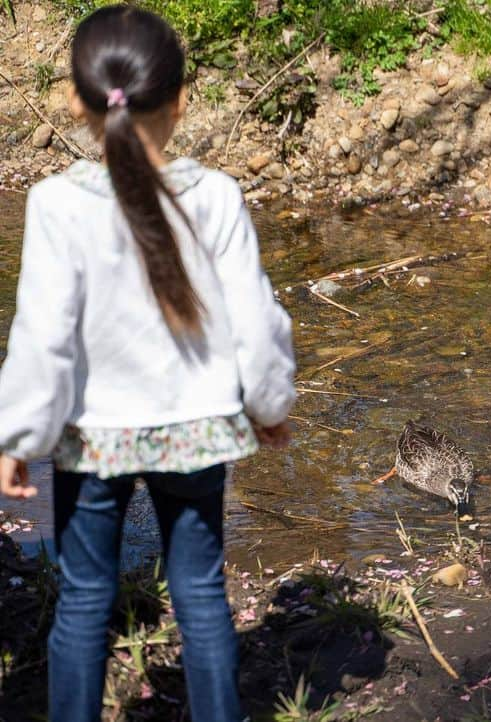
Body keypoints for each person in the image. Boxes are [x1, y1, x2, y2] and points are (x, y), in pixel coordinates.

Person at [0, 6, 295, 721]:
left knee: (82, 603)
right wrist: (269, 407)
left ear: (76, 101)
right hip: (195, 431)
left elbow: (44, 337)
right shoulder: (218, 197)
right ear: (183, 99)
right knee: (200, 597)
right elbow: (254, 323)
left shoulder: (55, 204)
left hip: (93, 437)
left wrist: (18, 439)